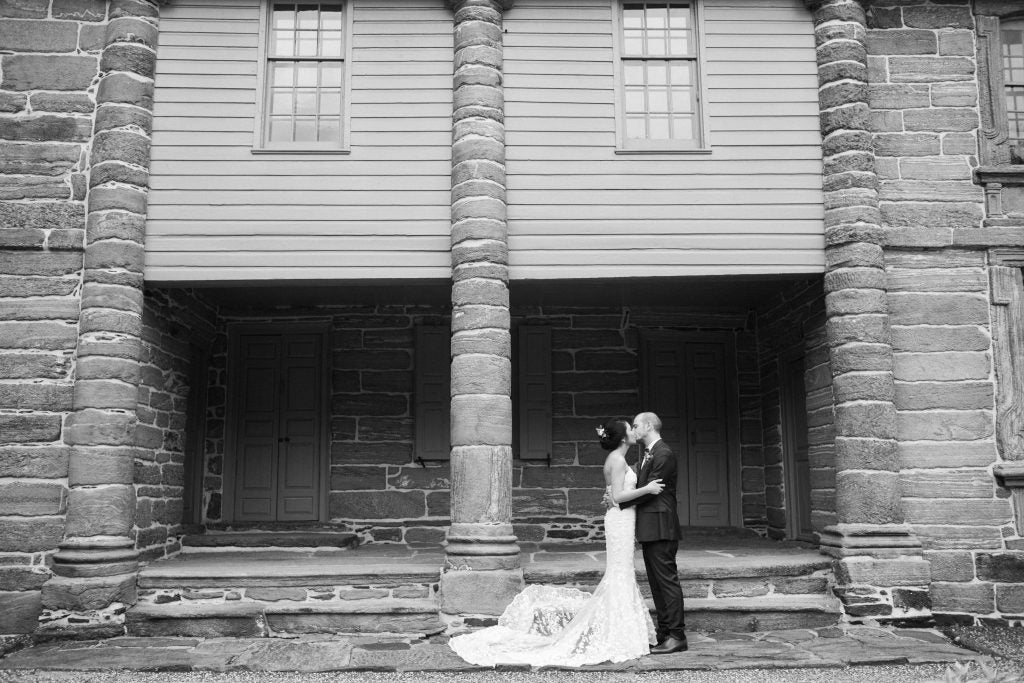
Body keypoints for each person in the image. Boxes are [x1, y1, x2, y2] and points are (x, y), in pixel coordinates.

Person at [447, 418, 664, 667]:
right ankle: (620, 634)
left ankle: (621, 630)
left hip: (622, 519)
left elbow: (611, 495)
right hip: (620, 520)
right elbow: (617, 496)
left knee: (622, 572)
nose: (634, 431)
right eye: (630, 428)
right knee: (620, 572)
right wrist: (647, 489)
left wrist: (617, 496)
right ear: (623, 437)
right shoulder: (617, 460)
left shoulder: (618, 459)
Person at [615, 411, 688, 654]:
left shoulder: (663, 453)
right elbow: (645, 488)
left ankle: (677, 635)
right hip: (651, 527)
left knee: (666, 582)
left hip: (661, 526)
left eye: (636, 425)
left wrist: (619, 501)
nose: (634, 429)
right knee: (657, 584)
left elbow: (652, 490)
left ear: (648, 426)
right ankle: (664, 632)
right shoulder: (650, 453)